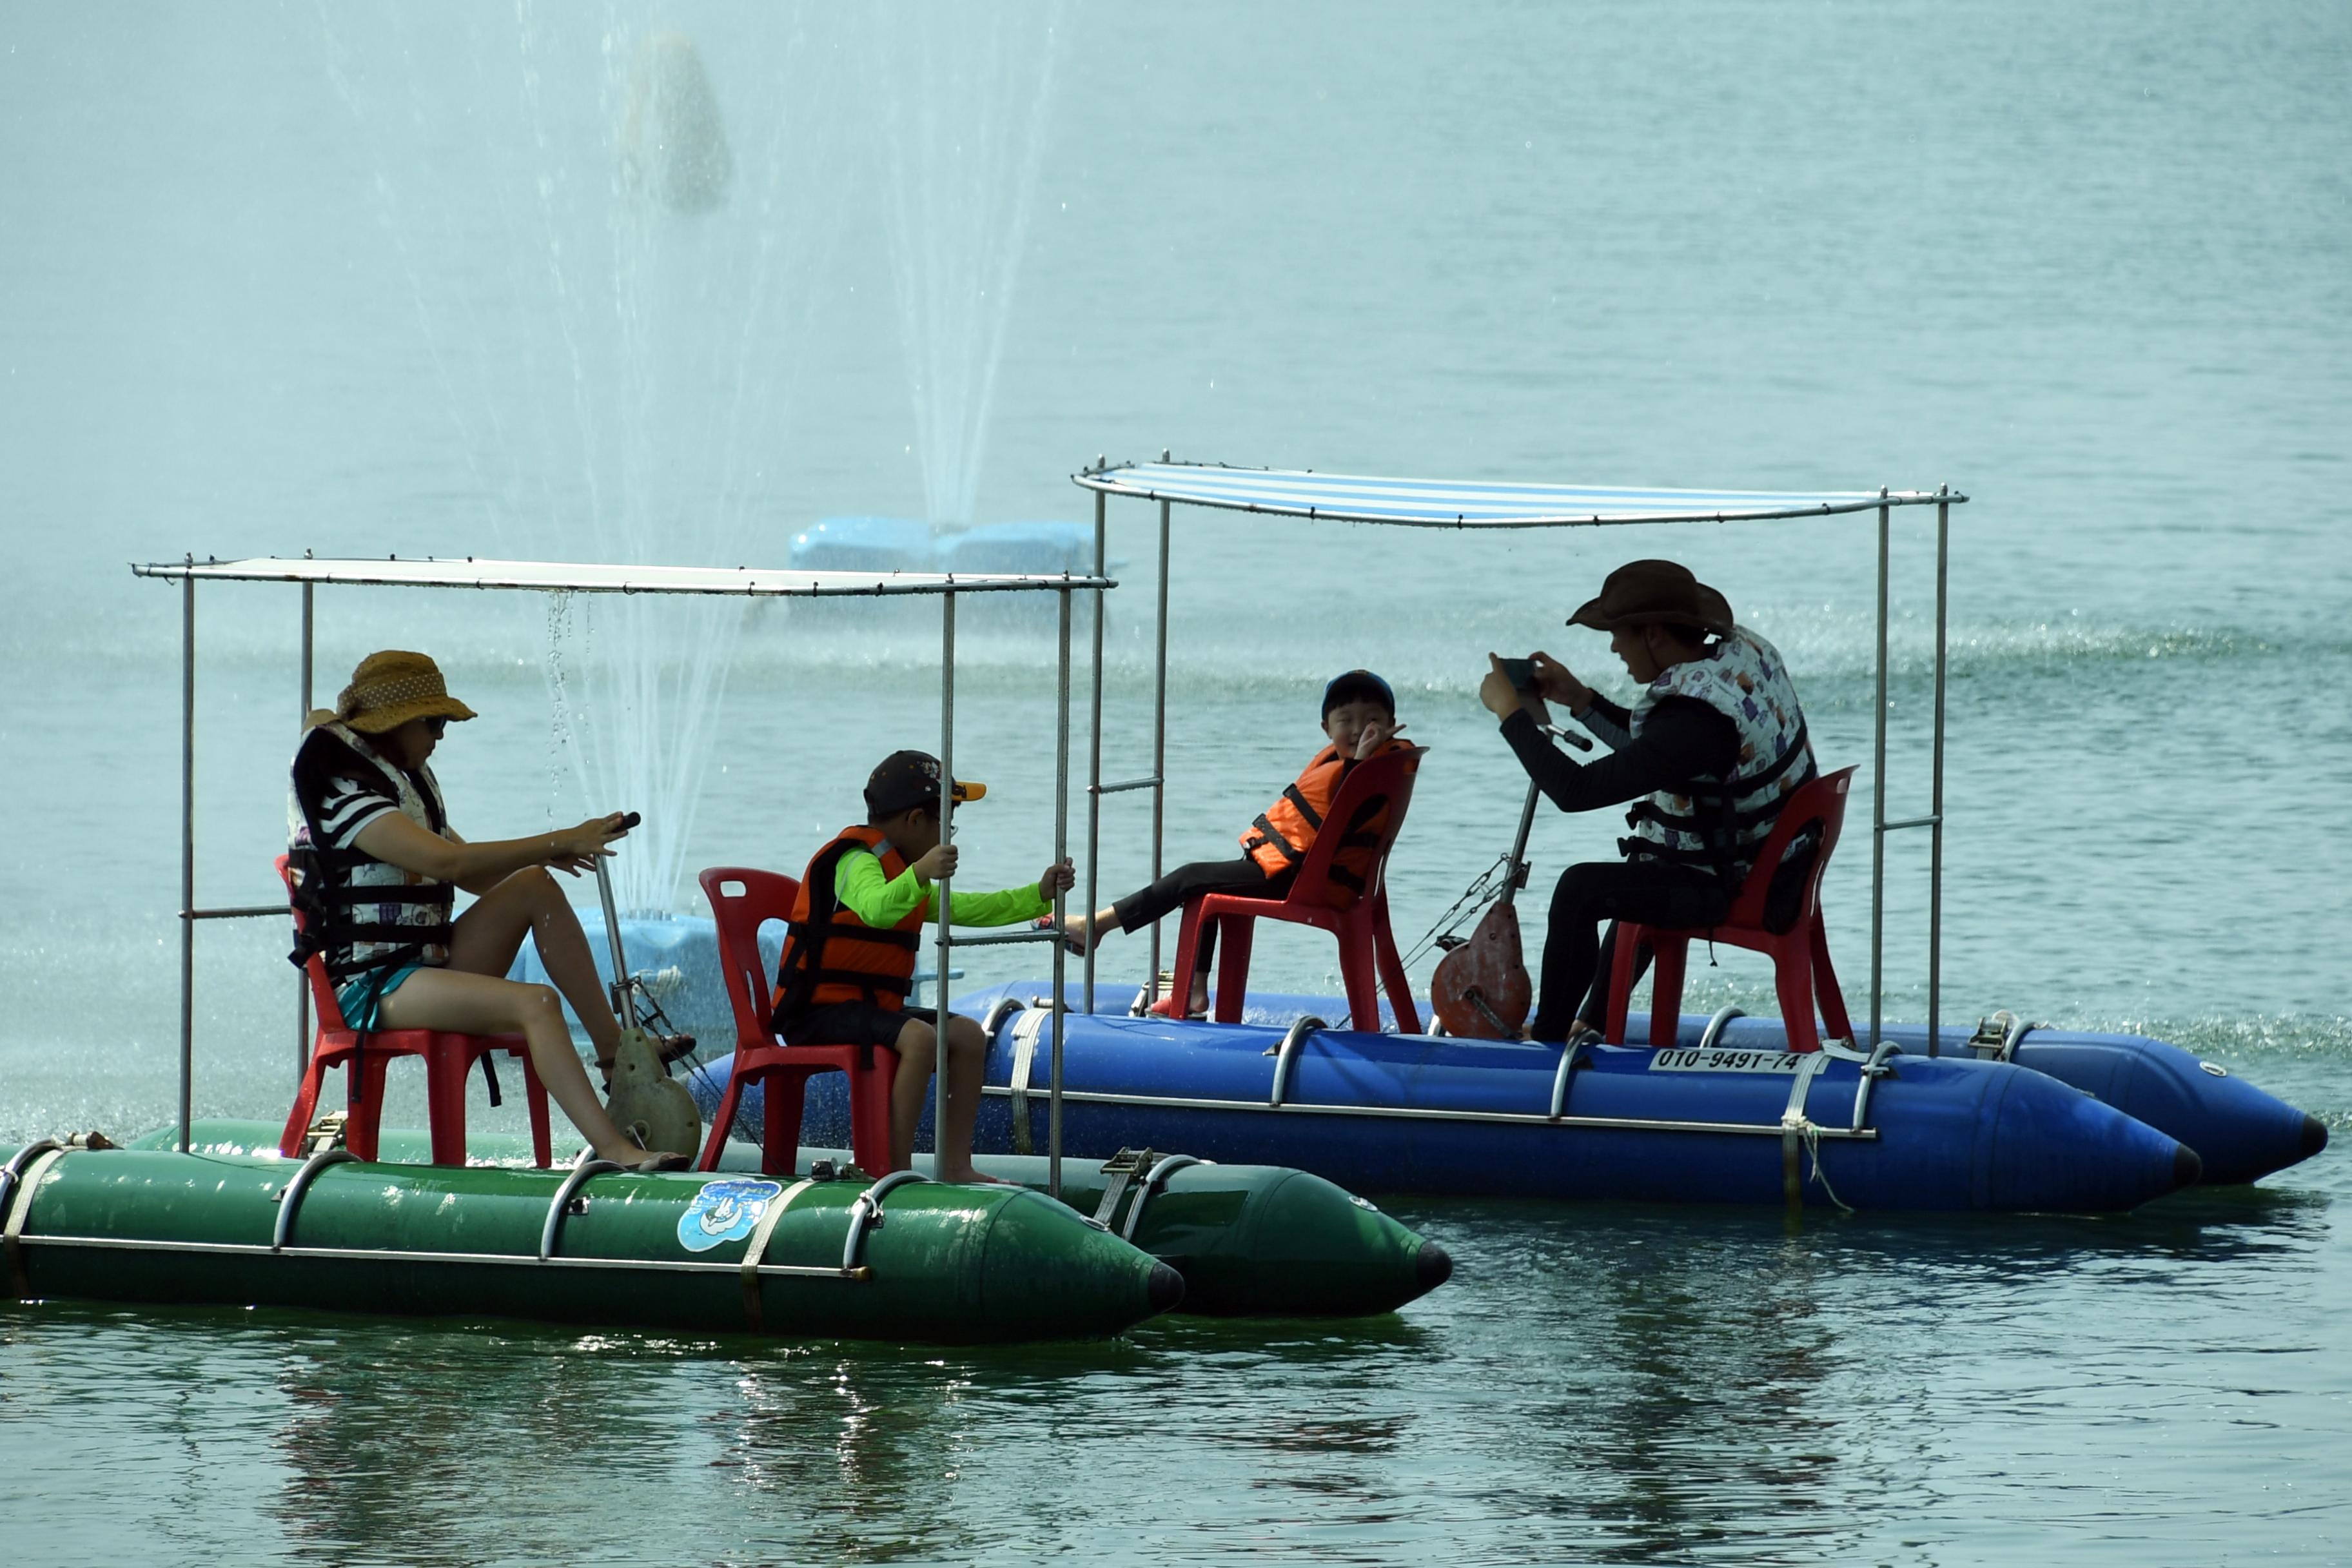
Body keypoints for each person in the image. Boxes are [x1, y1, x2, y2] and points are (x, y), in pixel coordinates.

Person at [286, 650, 687, 1169]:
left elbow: (472, 876)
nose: (441, 736)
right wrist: (557, 838)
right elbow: (448, 862)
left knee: (534, 887)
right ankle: (616, 1150)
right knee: (536, 1004)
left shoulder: (399, 781)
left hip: (425, 964)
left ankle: (615, 1054)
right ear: (394, 726)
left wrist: (550, 856)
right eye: (433, 723)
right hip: (374, 985)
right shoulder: (348, 798)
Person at [1478, 561, 1816, 1044]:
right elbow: (1653, 753)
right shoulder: (1733, 658)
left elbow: (1576, 792)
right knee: (1642, 863)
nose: (1614, 648)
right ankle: (1591, 1021)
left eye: (1619, 635)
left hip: (1742, 884)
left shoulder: (1694, 720)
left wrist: (1510, 714)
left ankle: (1549, 1040)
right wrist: (1580, 700)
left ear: (1654, 635)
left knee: (1579, 889)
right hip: (1779, 864)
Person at [770, 750, 1076, 1182]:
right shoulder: (856, 863)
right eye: (945, 824)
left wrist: (1037, 893)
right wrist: (918, 873)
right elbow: (877, 910)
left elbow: (968, 908)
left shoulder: (902, 876)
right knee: (919, 1039)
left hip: (868, 1009)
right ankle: (891, 1170)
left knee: (967, 1036)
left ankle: (955, 1166)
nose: (947, 834)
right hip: (816, 1012)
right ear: (916, 821)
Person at [1056, 669, 1409, 1016]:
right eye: (1346, 720)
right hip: (1306, 873)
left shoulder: (1370, 770)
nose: (1359, 729)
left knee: (1190, 877)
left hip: (1310, 883)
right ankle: (1194, 992)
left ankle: (1096, 927)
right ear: (1326, 729)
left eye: (1372, 720)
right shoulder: (1366, 767)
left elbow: (1347, 809)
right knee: (1202, 883)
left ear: (1392, 724)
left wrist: (1361, 759)